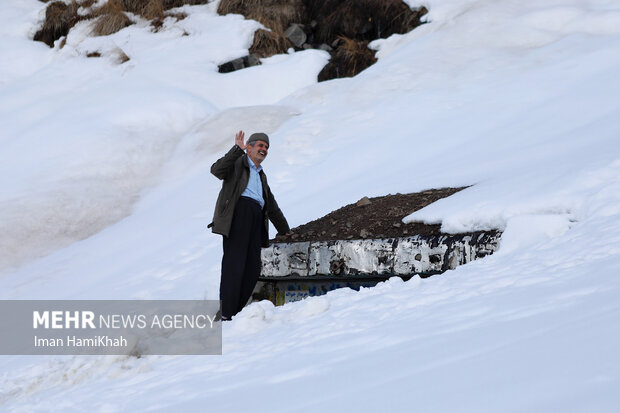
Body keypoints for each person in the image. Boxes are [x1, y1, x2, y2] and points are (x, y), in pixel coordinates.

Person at [209, 131, 291, 320]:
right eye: (260, 145)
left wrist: (284, 229)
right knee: (234, 265)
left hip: (256, 220)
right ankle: (227, 313)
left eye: (266, 147)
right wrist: (237, 150)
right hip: (238, 215)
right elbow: (217, 170)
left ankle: (234, 313)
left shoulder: (262, 176)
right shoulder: (238, 162)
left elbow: (271, 205)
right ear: (250, 147)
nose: (263, 149)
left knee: (252, 269)